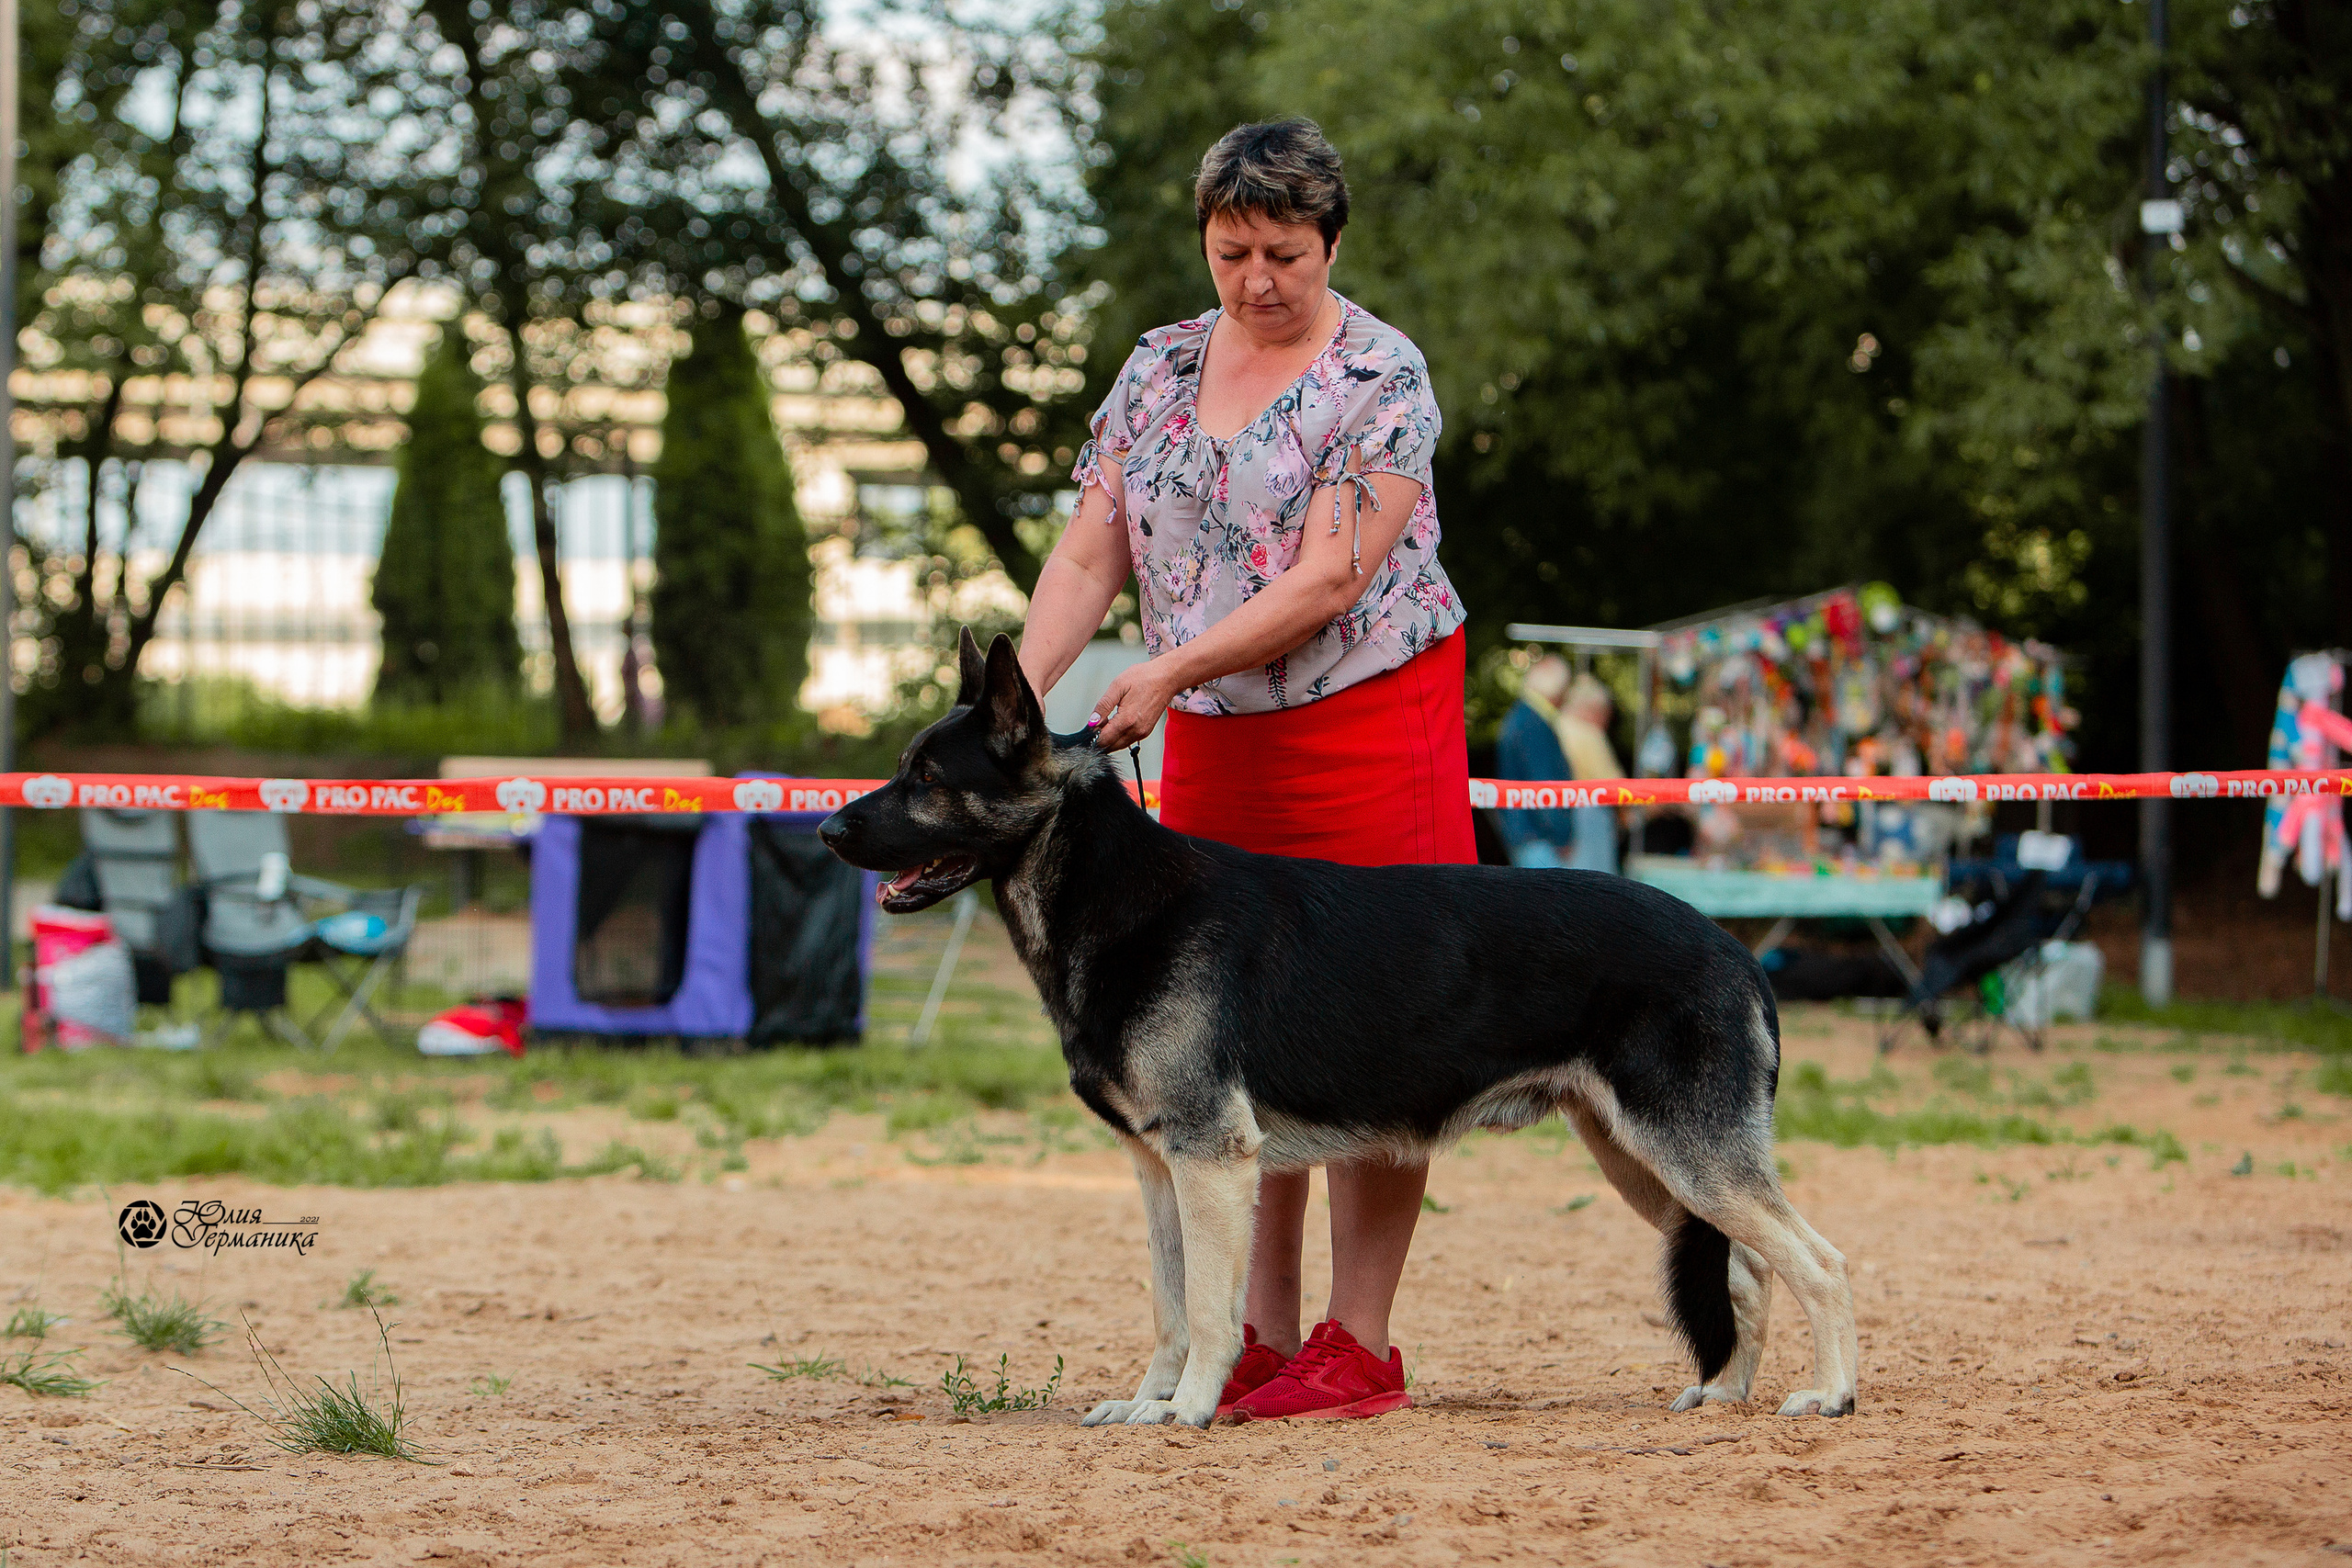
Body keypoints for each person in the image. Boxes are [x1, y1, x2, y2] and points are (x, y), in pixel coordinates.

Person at [1015, 117, 1470, 1421]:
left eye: (1284, 252)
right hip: (1216, 737)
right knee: (1230, 1038)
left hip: (1368, 718)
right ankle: (1255, 1334)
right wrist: (1016, 697)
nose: (1256, 278)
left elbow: (1333, 577)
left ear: (1331, 242)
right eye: (1231, 251)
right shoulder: (1156, 368)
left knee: (1386, 1023)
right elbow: (1089, 551)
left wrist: (1162, 671)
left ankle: (1359, 1341)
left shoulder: (1381, 375)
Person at [1494, 655, 1578, 868]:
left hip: (1526, 833)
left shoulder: (1521, 717)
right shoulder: (1534, 725)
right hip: (1539, 837)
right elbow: (1545, 786)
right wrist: (1561, 835)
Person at [1556, 672, 1624, 874]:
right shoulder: (1590, 735)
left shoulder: (1556, 725)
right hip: (1589, 815)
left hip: (1560, 812)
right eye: (1605, 714)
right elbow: (1615, 784)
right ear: (1594, 710)